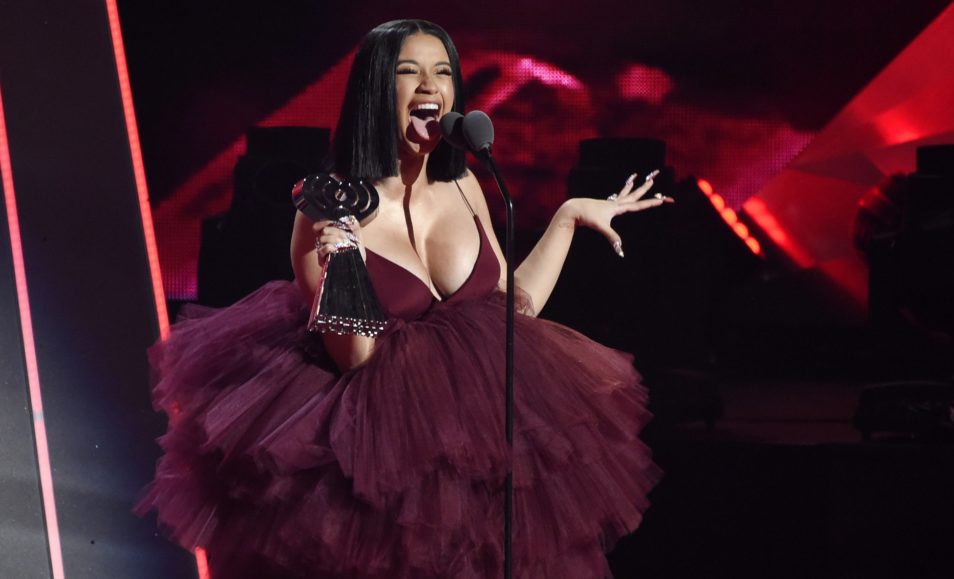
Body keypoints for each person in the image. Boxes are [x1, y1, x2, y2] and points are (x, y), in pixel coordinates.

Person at [139, 19, 667, 579]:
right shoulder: (328, 204)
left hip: (476, 450)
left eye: (442, 73)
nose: (430, 88)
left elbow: (514, 307)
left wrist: (567, 218)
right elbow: (356, 359)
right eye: (408, 73)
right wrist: (342, 258)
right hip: (376, 463)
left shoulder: (464, 184)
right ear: (374, 90)